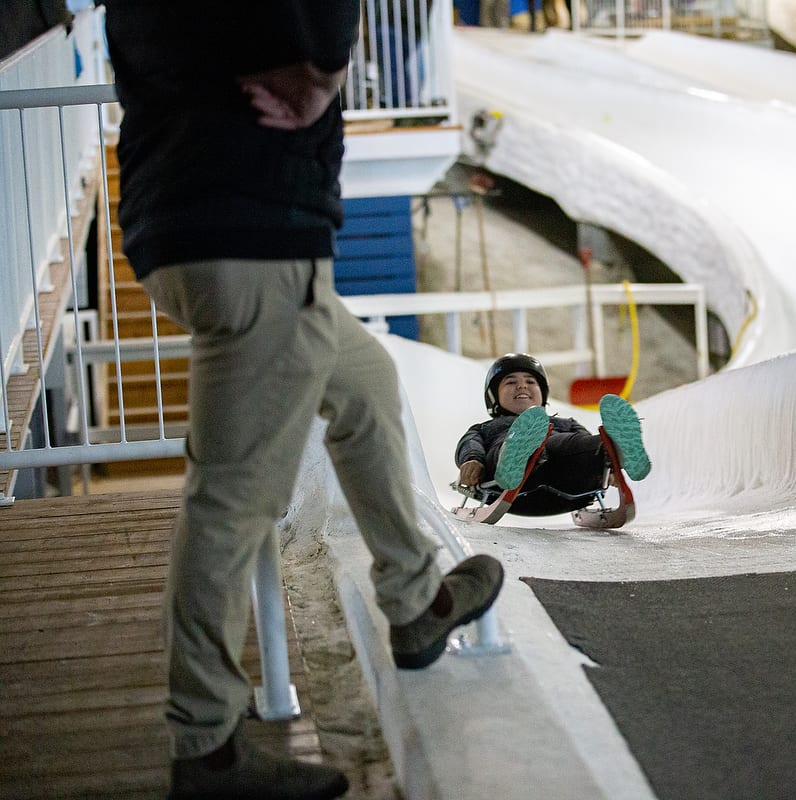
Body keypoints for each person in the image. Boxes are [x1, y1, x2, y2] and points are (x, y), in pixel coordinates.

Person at [103, 4, 504, 799]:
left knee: (363, 387)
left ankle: (416, 601)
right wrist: (322, 65)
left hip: (208, 214)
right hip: (249, 221)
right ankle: (207, 747)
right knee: (233, 497)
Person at [455, 353, 651, 516]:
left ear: (543, 394)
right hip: (514, 482)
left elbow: (581, 443)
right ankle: (518, 454)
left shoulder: (563, 424)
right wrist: (472, 461)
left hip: (567, 476)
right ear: (493, 397)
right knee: (507, 447)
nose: (522, 386)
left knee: (579, 445)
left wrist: (607, 468)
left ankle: (615, 449)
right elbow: (470, 443)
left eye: (530, 381)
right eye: (511, 382)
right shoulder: (487, 428)